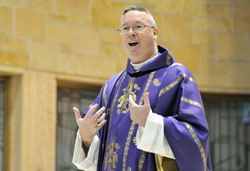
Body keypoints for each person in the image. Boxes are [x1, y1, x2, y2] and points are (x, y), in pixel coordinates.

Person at [72, 6, 212, 171]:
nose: (131, 32)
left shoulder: (176, 76)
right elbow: (97, 156)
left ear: (154, 33)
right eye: (125, 28)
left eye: (138, 26)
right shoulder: (111, 86)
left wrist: (151, 123)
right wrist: (86, 139)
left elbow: (197, 138)